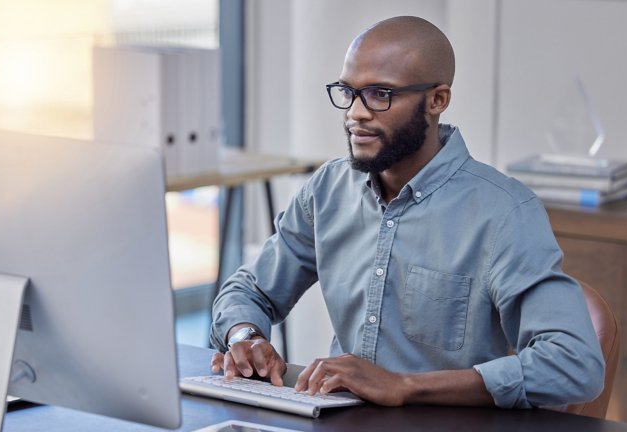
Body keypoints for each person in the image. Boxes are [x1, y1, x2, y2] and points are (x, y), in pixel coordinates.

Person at [209, 15, 604, 409]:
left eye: (380, 94)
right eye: (349, 92)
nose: (356, 114)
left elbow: (574, 364)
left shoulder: (505, 213)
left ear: (437, 100)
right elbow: (250, 291)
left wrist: (406, 385)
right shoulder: (328, 190)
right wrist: (246, 337)